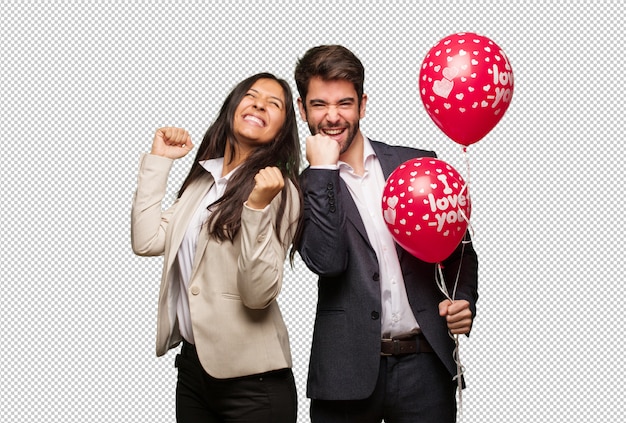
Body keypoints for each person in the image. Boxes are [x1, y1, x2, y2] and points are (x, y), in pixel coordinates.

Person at [294, 45, 479, 423]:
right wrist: (324, 172)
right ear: (301, 109)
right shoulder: (298, 189)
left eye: (344, 103)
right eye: (319, 105)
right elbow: (327, 262)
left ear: (362, 104)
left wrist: (462, 300)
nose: (332, 117)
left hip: (425, 366)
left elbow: (460, 250)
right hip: (345, 374)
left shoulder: (419, 165)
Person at [131, 72, 302, 423]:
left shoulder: (279, 190)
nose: (259, 104)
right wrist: (159, 161)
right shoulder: (203, 182)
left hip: (254, 384)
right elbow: (147, 240)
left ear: (283, 129)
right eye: (251, 96)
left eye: (274, 104)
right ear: (232, 107)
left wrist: (255, 208)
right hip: (194, 373)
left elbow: (258, 295)